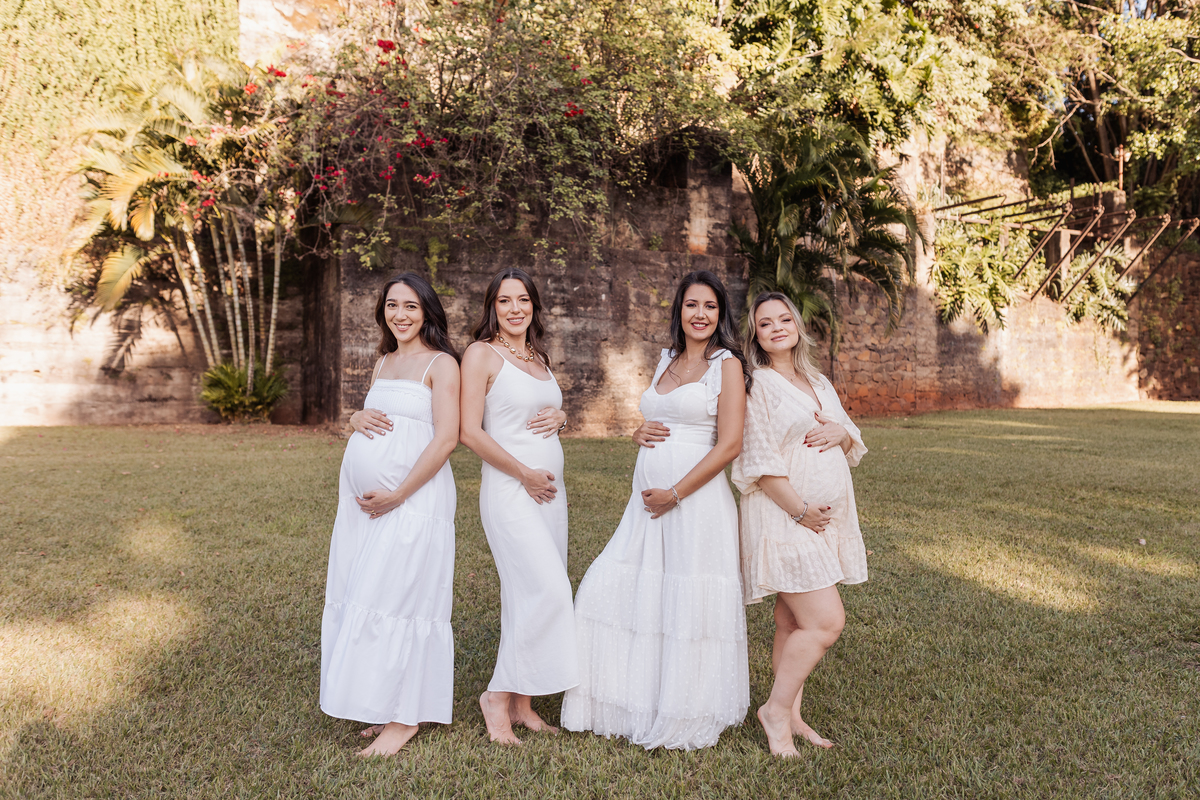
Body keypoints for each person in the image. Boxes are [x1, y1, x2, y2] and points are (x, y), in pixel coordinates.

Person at [561, 270, 752, 751]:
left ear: (721, 313)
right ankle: (629, 698)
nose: (701, 315)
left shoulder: (727, 365)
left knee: (687, 603)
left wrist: (676, 492)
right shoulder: (665, 359)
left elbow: (729, 445)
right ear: (679, 311)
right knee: (617, 587)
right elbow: (656, 419)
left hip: (697, 503)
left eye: (710, 306)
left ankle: (684, 707)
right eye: (692, 305)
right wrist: (637, 433)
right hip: (644, 506)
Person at [321, 272, 461, 756]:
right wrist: (354, 419)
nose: (400, 315)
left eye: (411, 307)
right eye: (392, 305)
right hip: (363, 509)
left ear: (427, 312)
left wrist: (399, 493)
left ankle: (405, 719)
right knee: (368, 593)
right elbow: (370, 418)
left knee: (404, 596)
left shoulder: (442, 365)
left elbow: (446, 438)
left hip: (414, 501)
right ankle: (384, 704)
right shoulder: (384, 361)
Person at [731, 291, 869, 757]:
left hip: (821, 522)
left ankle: (791, 716)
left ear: (797, 325)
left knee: (791, 622)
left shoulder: (817, 380)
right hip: (785, 517)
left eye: (783, 318)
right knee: (826, 622)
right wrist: (799, 510)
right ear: (756, 334)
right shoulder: (757, 384)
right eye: (764, 323)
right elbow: (758, 458)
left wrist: (842, 432)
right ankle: (773, 712)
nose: (776, 327)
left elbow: (850, 434)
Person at [459, 268, 574, 745]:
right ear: (492, 307)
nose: (514, 309)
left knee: (527, 595)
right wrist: (524, 474)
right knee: (548, 590)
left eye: (523, 299)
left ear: (534, 306)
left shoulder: (539, 356)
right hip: (510, 493)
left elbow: (541, 414)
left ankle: (524, 703)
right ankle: (496, 697)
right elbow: (470, 431)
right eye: (504, 301)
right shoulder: (481, 354)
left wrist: (563, 417)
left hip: (552, 497)